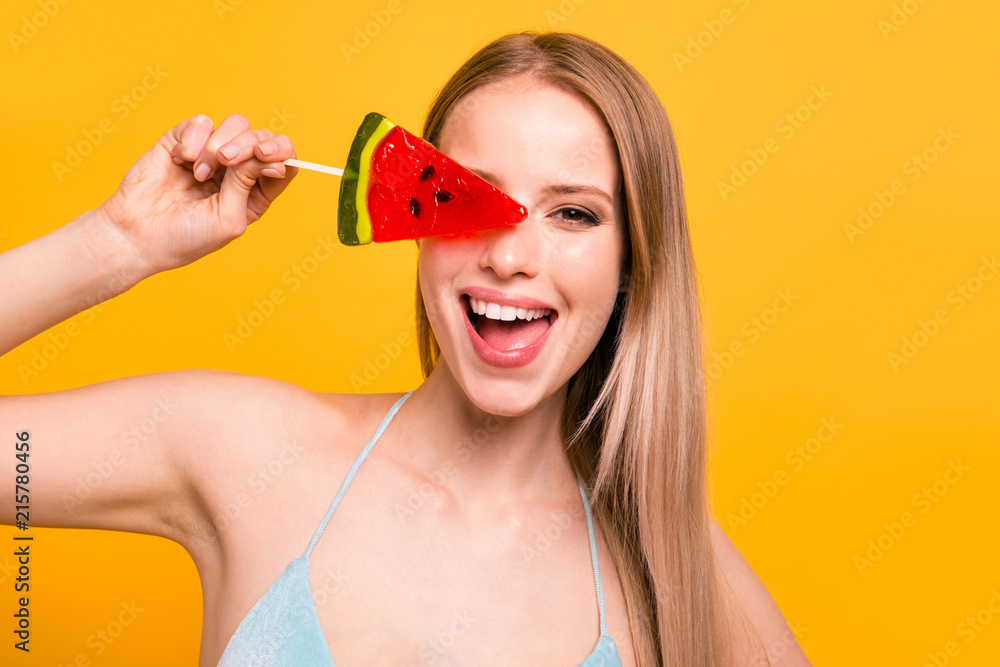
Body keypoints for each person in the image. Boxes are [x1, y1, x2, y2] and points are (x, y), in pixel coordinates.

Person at [0, 31, 811, 666]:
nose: (510, 256)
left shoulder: (669, 552)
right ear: (411, 217)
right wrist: (116, 245)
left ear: (634, 260)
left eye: (573, 214)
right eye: (467, 197)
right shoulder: (245, 450)